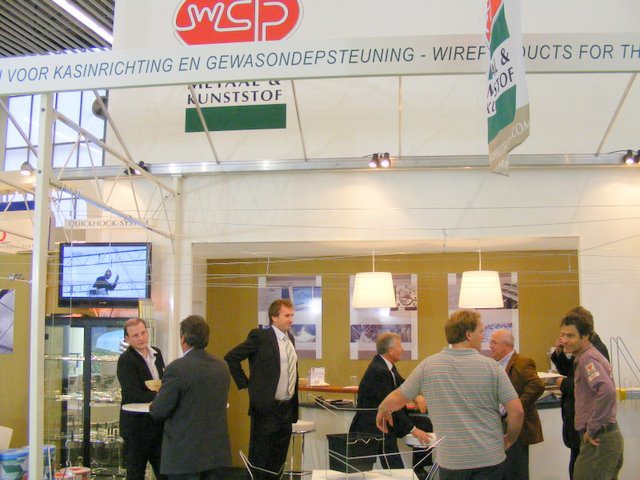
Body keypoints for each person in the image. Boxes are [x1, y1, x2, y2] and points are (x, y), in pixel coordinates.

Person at [375, 309, 524, 480]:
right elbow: (517, 411)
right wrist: (510, 439)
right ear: (469, 335)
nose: (483, 337)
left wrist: (382, 410)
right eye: (481, 331)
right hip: (489, 458)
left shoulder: (428, 366)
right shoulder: (492, 367)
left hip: (452, 461)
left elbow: (397, 398)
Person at [149, 315, 231, 480]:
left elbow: (159, 411)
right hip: (216, 453)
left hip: (184, 456)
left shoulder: (177, 369)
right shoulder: (222, 367)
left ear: (183, 338)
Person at [224, 299, 299, 479]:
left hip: (286, 408)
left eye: (292, 315)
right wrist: (247, 384)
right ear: (274, 317)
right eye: (286, 315)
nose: (291, 319)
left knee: (278, 458)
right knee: (261, 458)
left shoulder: (290, 339)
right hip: (266, 408)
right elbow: (231, 358)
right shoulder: (260, 337)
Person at [349, 332, 432, 478]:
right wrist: (413, 430)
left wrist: (416, 395)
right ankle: (407, 474)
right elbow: (391, 406)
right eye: (400, 346)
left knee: (425, 424)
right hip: (375, 426)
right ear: (390, 350)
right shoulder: (378, 371)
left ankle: (420, 469)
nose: (403, 349)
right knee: (394, 467)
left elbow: (403, 386)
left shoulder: (388, 367)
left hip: (387, 421)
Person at [559, 308, 623, 480]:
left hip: (599, 438)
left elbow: (607, 391)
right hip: (605, 436)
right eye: (563, 335)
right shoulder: (587, 356)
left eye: (570, 336)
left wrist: (592, 427)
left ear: (585, 335)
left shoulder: (587, 359)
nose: (564, 340)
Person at [489, 329, 545, 480]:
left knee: (516, 471)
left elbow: (537, 385)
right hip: (499, 423)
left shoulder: (522, 363)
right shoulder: (495, 365)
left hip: (517, 425)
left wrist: (516, 407)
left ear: (506, 345)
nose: (490, 346)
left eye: (494, 343)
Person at [116, 318, 166, 480]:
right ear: (127, 339)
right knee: (135, 474)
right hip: (136, 428)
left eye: (143, 333)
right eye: (135, 335)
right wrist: (161, 396)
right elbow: (133, 393)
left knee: (165, 473)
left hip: (157, 425)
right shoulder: (126, 360)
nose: (141, 338)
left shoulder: (156, 353)